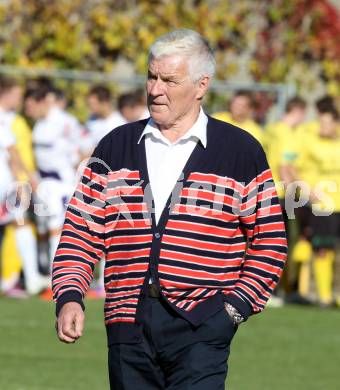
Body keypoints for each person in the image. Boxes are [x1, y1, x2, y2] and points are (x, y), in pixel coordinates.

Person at [53, 29, 287, 389]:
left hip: (203, 327)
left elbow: (270, 242)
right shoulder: (115, 147)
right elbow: (80, 233)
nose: (155, 89)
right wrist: (70, 296)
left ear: (201, 85)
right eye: (151, 76)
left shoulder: (240, 152)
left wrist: (233, 310)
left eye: (169, 80)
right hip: (125, 323)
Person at [0, 77, 47, 296]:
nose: (19, 100)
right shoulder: (3, 119)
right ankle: (28, 279)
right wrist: (26, 179)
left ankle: (27, 279)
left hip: (7, 183)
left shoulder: (11, 119)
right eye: (17, 95)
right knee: (21, 222)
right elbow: (13, 152)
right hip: (5, 183)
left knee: (20, 221)